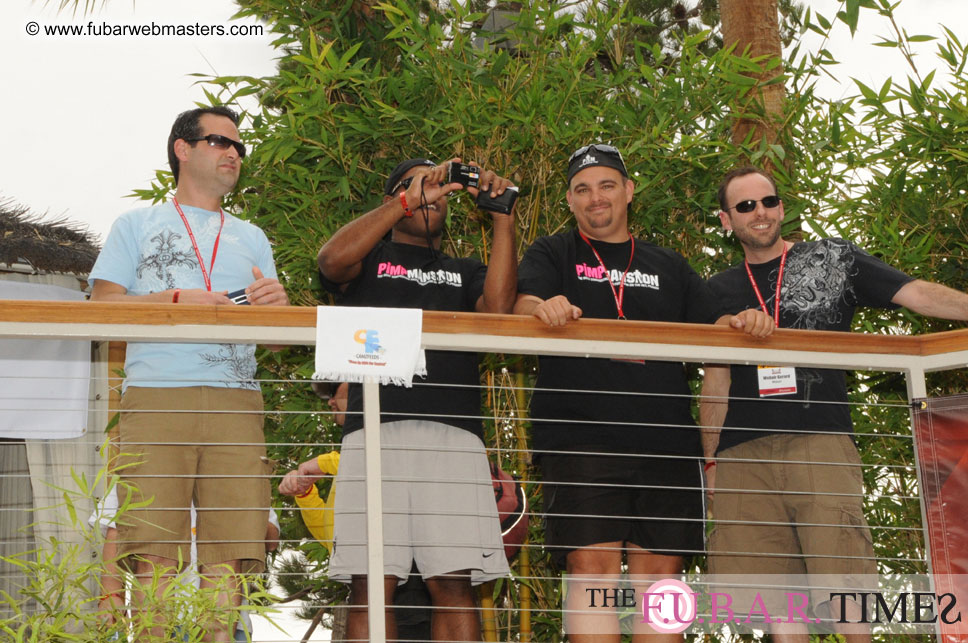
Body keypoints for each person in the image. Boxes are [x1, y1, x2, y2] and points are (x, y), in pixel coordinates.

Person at [513, 144, 773, 643]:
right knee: (592, 570)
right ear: (568, 200)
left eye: (607, 184)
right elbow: (523, 300)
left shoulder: (668, 263)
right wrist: (541, 308)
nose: (596, 198)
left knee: (662, 580)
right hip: (580, 436)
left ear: (629, 192)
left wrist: (742, 321)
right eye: (582, 189)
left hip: (666, 443)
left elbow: (715, 322)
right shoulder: (552, 252)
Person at [701, 166, 968, 642]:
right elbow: (715, 383)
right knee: (778, 610)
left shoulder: (832, 258)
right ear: (726, 220)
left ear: (781, 208)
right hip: (743, 454)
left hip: (820, 443)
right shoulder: (713, 289)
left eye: (768, 201)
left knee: (848, 591)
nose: (758, 213)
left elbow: (916, 295)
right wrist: (711, 460)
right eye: (745, 206)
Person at [88, 105, 289, 642]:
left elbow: (275, 338)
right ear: (183, 148)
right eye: (222, 142)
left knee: (229, 554)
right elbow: (101, 308)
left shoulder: (253, 236)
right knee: (152, 548)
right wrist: (176, 299)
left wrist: (279, 307)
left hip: (238, 401)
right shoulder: (135, 223)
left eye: (240, 148)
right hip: (157, 396)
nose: (234, 155)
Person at [316, 157, 518, 641]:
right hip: (374, 433)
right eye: (419, 184)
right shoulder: (368, 261)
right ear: (394, 199)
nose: (435, 192)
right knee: (370, 584)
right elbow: (330, 261)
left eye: (440, 186)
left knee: (453, 584)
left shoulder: (465, 270)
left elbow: (499, 310)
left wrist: (503, 217)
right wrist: (410, 198)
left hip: (454, 436)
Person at [90, 485, 280, 642]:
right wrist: (111, 596)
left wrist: (243, 507)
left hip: (228, 622)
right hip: (159, 621)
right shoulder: (144, 467)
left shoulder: (235, 471)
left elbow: (271, 541)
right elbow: (114, 534)